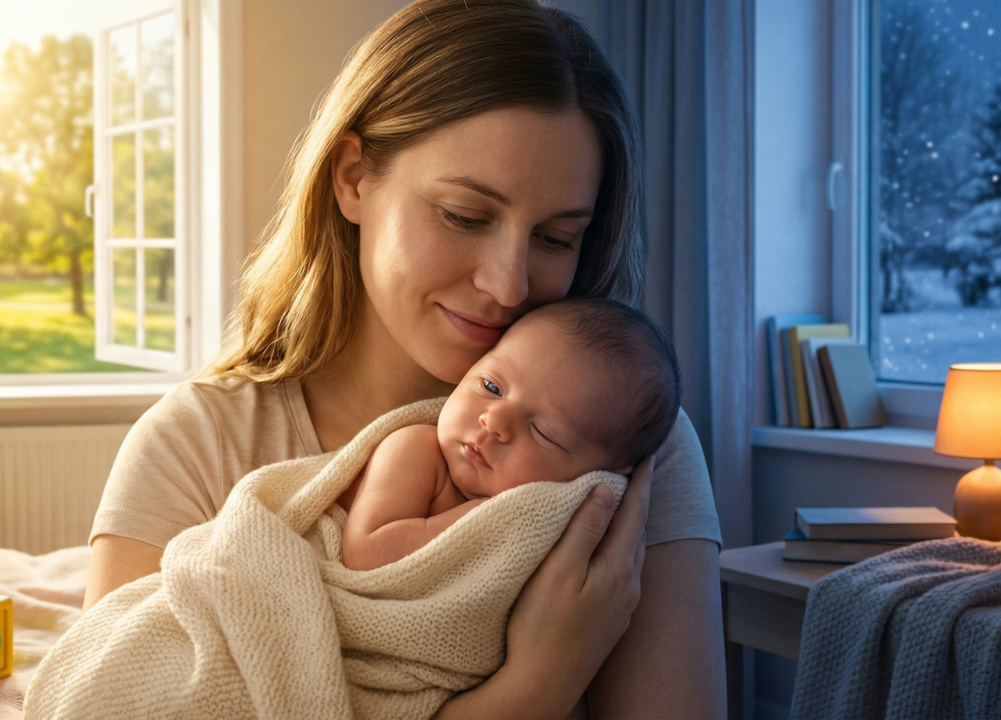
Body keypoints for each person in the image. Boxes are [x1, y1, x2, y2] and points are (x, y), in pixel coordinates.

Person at [85, 0, 725, 717]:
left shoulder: (630, 448)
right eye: (464, 216)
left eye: (555, 238)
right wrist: (539, 682)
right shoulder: (197, 444)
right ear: (355, 178)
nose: (508, 284)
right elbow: (110, 685)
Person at [341, 298, 681, 572]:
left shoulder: (577, 521)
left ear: (597, 474)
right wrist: (489, 518)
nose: (495, 420)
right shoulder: (415, 450)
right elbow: (366, 552)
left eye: (543, 432)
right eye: (491, 386)